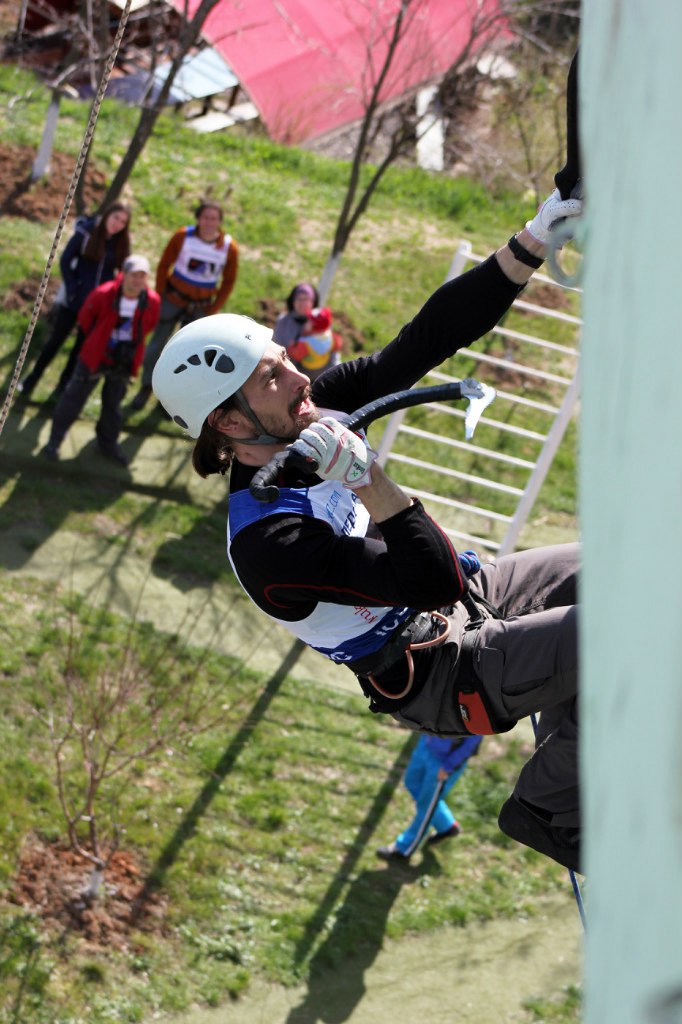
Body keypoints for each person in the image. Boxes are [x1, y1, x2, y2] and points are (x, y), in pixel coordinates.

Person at [151, 189, 583, 873]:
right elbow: (427, 578)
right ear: (232, 424)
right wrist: (368, 481)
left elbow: (425, 341)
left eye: (285, 358)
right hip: (442, 670)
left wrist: (530, 241)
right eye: (273, 376)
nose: (300, 376)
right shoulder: (269, 544)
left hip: (464, 594)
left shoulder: (309, 411)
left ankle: (581, 718)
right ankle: (547, 806)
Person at [41, 255, 160, 466]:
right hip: (96, 355)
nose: (137, 281)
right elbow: (86, 320)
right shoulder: (104, 294)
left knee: (113, 405)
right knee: (73, 398)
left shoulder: (151, 301)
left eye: (142, 276)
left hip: (125, 359)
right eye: (133, 275)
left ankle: (106, 443)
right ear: (123, 274)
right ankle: (55, 440)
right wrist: (102, 338)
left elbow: (148, 325)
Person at [129, 200, 239, 411]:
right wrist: (161, 294)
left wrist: (214, 308)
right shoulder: (183, 237)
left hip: (200, 306)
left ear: (220, 222)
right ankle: (146, 387)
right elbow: (163, 265)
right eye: (205, 217)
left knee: (189, 356)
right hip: (173, 299)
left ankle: (169, 399)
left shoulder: (228, 247)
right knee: (156, 346)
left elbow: (229, 281)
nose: (209, 222)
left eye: (214, 219)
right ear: (198, 218)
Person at [19, 201, 132, 399]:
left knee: (80, 347)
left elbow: (122, 271)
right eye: (116, 218)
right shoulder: (87, 232)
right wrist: (73, 288)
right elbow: (65, 260)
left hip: (98, 305)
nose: (118, 224)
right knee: (55, 341)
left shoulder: (121, 243)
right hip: (76, 300)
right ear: (107, 215)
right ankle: (32, 379)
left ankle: (63, 387)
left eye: (123, 222)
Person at [377, 733, 483, 862]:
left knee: (426, 807)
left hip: (443, 763)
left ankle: (403, 849)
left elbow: (471, 742)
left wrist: (448, 766)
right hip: (426, 744)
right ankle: (446, 825)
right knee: (411, 782)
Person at [273, 282, 342, 382]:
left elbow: (333, 352)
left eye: (306, 299)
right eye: (299, 299)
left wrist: (336, 374)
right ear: (292, 301)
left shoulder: (321, 321)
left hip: (323, 376)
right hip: (292, 375)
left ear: (313, 302)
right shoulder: (283, 322)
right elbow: (278, 351)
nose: (303, 303)